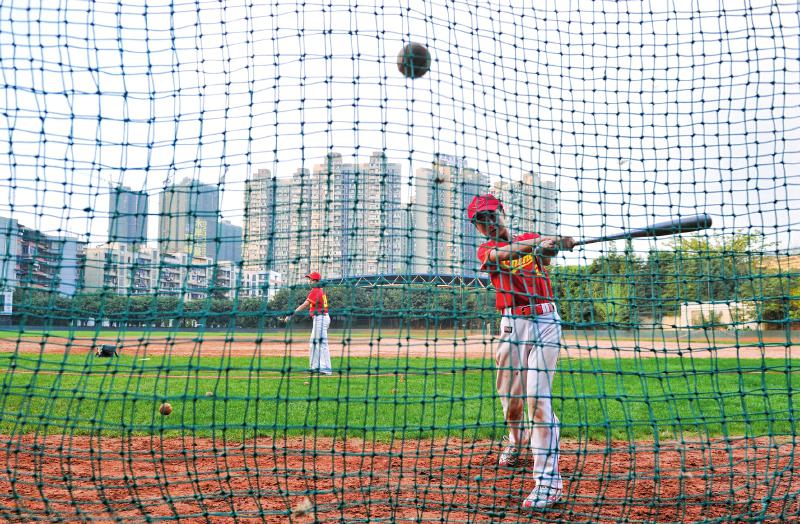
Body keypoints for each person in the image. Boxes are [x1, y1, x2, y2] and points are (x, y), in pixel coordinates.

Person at [467, 194, 576, 510]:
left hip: (545, 320)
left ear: (502, 212)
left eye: (491, 215)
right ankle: (516, 441)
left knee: (538, 401)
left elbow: (545, 256)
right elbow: (506, 253)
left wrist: (554, 246)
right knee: (510, 400)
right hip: (511, 326)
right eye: (480, 221)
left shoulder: (530, 238)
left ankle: (548, 485)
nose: (488, 223)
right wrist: (540, 242)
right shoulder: (486, 250)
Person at [284, 272, 332, 375]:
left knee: (321, 344)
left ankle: (325, 369)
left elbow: (305, 305)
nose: (309, 281)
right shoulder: (319, 290)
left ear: (315, 281)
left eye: (311, 279)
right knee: (313, 343)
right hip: (320, 318)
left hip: (321, 318)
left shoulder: (316, 290)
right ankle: (315, 367)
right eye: (309, 279)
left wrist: (291, 314)